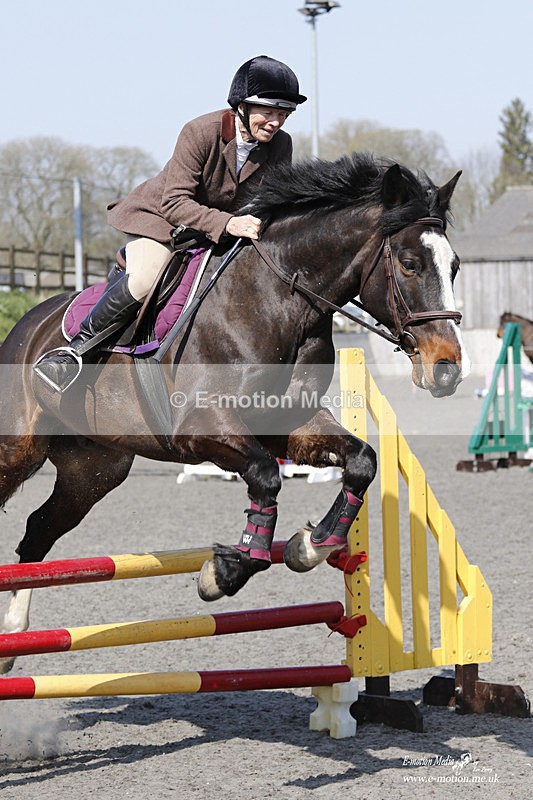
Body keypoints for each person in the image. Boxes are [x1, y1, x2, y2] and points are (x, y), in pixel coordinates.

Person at [35, 55, 307, 391]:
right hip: (161, 220)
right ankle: (73, 353)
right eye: (269, 111)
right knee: (148, 276)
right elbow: (175, 202)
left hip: (212, 230)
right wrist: (229, 224)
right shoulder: (200, 131)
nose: (276, 122)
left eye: (283, 114)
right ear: (241, 106)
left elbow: (270, 201)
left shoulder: (282, 145)